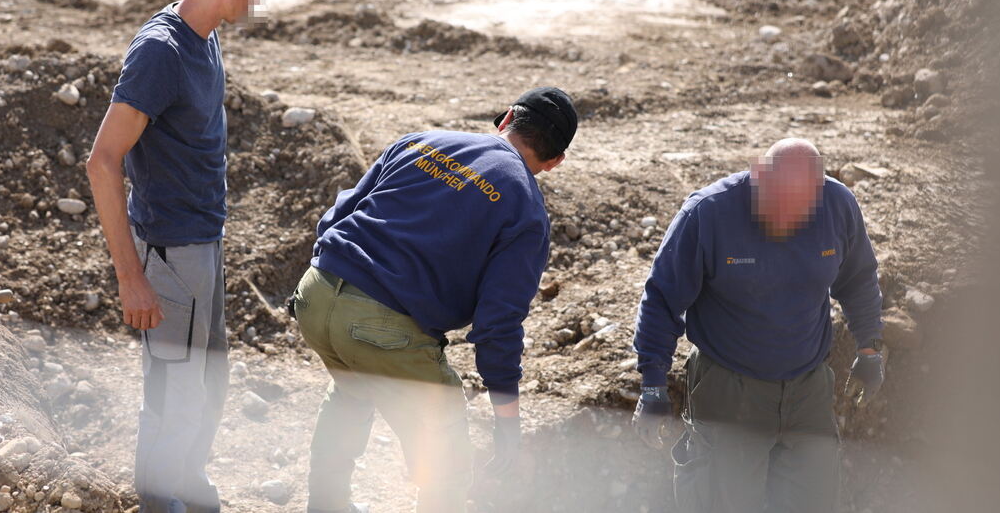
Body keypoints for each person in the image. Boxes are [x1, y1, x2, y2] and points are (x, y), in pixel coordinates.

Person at [290, 87, 578, 513]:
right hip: (379, 326)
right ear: (555, 162)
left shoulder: (423, 140)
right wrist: (507, 420)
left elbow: (337, 216)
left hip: (314, 293)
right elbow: (498, 323)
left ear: (506, 120)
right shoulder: (526, 210)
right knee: (445, 449)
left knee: (352, 390)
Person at [86, 0, 289, 513]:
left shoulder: (204, 35)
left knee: (208, 382)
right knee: (175, 392)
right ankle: (160, 499)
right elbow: (103, 163)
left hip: (202, 246)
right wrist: (131, 276)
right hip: (172, 257)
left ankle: (186, 483)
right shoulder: (161, 53)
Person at [631, 138, 885, 513]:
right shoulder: (708, 213)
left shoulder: (837, 204)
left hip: (808, 390)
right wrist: (653, 385)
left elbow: (859, 279)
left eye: (799, 211)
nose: (786, 219)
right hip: (730, 390)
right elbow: (662, 299)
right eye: (778, 205)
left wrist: (869, 349)